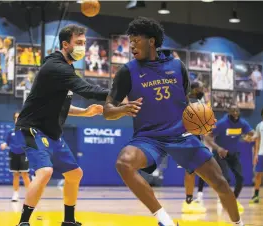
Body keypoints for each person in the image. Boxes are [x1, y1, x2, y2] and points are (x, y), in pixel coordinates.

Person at [103, 17, 245, 226]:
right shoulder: (127, 71)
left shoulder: (177, 66)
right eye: (129, 41)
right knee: (124, 162)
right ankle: (165, 221)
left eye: (136, 40)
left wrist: (200, 119)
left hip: (181, 135)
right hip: (148, 137)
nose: (131, 45)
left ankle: (238, 224)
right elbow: (107, 110)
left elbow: (185, 101)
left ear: (151, 41)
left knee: (221, 183)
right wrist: (121, 109)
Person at [15, 24, 109, 226]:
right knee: (45, 171)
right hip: (31, 128)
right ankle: (23, 222)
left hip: (51, 132)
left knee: (75, 174)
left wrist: (84, 112)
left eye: (84, 43)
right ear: (65, 44)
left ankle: (68, 220)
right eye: (79, 43)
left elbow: (62, 105)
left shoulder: (66, 68)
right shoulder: (56, 67)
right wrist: (118, 95)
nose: (83, 47)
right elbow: (86, 89)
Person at [205, 106, 255, 212]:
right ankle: (223, 198)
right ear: (229, 112)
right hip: (221, 154)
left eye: (237, 111)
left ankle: (233, 199)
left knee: (240, 178)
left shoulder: (242, 123)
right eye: (233, 111)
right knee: (226, 179)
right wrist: (218, 148)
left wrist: (251, 136)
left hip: (233, 154)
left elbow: (251, 132)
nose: (236, 113)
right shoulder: (221, 123)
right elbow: (208, 137)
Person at [181, 81, 207, 214]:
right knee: (190, 170)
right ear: (195, 89)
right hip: (190, 139)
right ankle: (188, 201)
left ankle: (190, 199)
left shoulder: (198, 101)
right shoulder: (190, 102)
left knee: (193, 170)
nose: (203, 90)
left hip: (195, 139)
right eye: (201, 88)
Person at [0, 112, 31, 202]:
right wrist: (4, 144)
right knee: (16, 174)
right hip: (13, 154)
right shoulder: (10, 131)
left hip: (24, 154)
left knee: (25, 174)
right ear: (15, 119)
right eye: (17, 117)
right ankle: (16, 194)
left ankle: (30, 195)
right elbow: (6, 142)